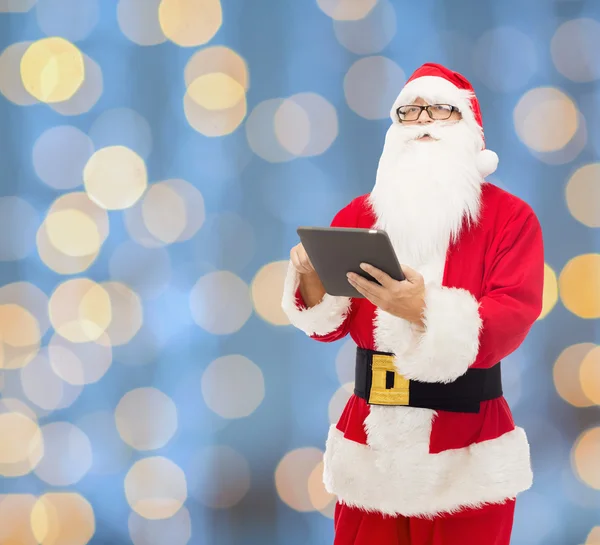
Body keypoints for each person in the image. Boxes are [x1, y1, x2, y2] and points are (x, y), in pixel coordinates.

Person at [280, 63, 544, 545]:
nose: (422, 120)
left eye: (440, 109)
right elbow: (326, 325)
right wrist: (309, 278)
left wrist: (424, 309)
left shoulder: (511, 218)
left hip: (466, 455)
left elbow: (512, 318)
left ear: (468, 127)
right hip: (370, 452)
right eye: (409, 111)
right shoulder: (360, 215)